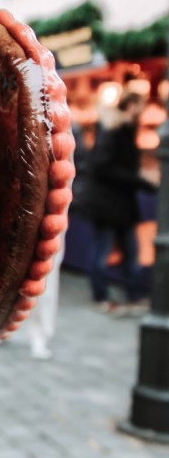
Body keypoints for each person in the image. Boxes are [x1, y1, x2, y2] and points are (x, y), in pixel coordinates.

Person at [76, 89, 153, 315]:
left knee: (130, 250)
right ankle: (101, 295)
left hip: (120, 204)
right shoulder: (114, 130)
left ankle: (133, 294)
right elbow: (102, 166)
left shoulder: (123, 129)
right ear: (132, 106)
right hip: (107, 204)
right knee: (104, 251)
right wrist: (140, 180)